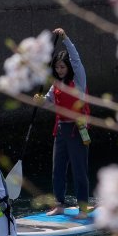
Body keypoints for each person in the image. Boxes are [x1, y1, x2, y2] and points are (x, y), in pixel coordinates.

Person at [36, 27, 91, 219]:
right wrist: (40, 101)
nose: (59, 70)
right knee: (57, 169)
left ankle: (83, 209)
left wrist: (66, 39)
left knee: (79, 170)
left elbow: (76, 59)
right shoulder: (56, 85)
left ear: (68, 67)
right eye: (57, 67)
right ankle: (59, 204)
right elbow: (49, 102)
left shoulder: (79, 80)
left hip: (78, 130)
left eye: (62, 67)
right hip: (60, 129)